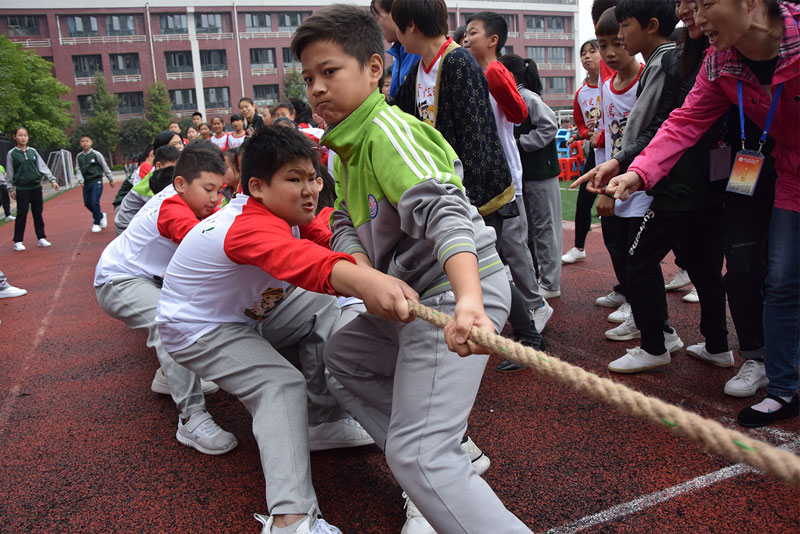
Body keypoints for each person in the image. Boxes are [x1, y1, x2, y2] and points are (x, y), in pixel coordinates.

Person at [293, 6, 532, 534]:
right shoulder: (342, 151)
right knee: (344, 357)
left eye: (330, 72)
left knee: (418, 455)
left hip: (455, 289)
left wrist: (469, 301)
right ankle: (440, 453)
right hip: (419, 295)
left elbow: (447, 210)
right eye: (309, 77)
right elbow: (343, 221)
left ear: (374, 69)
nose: (316, 88)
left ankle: (429, 461)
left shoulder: (386, 131)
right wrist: (363, 271)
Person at [157, 127, 384, 534]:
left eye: (313, 176)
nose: (311, 189)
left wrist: (362, 260)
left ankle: (320, 419)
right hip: (198, 329)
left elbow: (326, 232)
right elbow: (308, 263)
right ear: (257, 186)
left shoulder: (287, 213)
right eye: (294, 179)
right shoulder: (246, 225)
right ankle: (290, 519)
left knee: (324, 303)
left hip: (245, 315)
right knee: (279, 383)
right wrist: (372, 283)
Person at [601, 0, 799, 426]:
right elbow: (684, 122)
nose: (694, 15)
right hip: (784, 174)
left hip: (721, 183)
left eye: (705, 3)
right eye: (688, 5)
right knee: (778, 278)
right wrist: (637, 172)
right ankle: (783, 388)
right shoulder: (718, 61)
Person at [95, 142, 234, 455]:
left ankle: (167, 375)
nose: (215, 198)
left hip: (148, 276)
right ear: (181, 183)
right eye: (208, 189)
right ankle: (192, 418)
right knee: (168, 322)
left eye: (219, 190)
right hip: (118, 280)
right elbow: (205, 244)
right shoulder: (172, 207)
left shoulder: (193, 201)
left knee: (193, 308)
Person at [563, 40, 602, 265]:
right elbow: (580, 125)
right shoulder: (581, 93)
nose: (587, 56)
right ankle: (579, 247)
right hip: (596, 152)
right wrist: (589, 134)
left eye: (592, 51)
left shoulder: (612, 84)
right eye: (583, 53)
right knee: (583, 200)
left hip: (619, 152)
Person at [114, 133, 183, 235]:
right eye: (174, 144)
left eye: (180, 143)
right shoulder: (154, 179)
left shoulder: (172, 172)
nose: (179, 147)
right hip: (127, 227)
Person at [6, 126, 59, 251]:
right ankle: (18, 241)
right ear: (15, 137)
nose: (23, 138)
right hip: (22, 188)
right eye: (20, 135)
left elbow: (42, 166)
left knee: (38, 213)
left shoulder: (33, 152)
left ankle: (41, 238)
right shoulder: (12, 154)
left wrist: (52, 179)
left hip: (35, 187)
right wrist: (10, 188)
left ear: (28, 137)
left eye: (25, 135)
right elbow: (10, 172)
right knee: (22, 214)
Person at [370, 0, 421, 100]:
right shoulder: (398, 56)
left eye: (377, 18)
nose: (377, 25)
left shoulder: (419, 52)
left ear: (396, 13)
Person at [75, 133, 116, 233]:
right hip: (86, 183)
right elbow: (78, 168)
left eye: (87, 141)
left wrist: (110, 178)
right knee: (87, 203)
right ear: (80, 143)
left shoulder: (96, 154)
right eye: (83, 141)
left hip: (96, 181)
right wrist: (80, 179)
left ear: (91, 142)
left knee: (94, 201)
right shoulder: (79, 156)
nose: (85, 143)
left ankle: (97, 222)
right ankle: (101, 215)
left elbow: (104, 166)